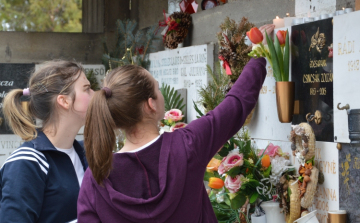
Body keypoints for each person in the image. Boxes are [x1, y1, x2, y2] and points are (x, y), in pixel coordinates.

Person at [78, 54, 267, 222]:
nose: (161, 94)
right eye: (158, 88)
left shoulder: (96, 179)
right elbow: (235, 104)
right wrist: (258, 56)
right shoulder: (186, 145)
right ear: (150, 105)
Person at [1, 60, 94, 222]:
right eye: (87, 89)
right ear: (64, 101)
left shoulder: (83, 152)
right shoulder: (26, 163)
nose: (94, 94)